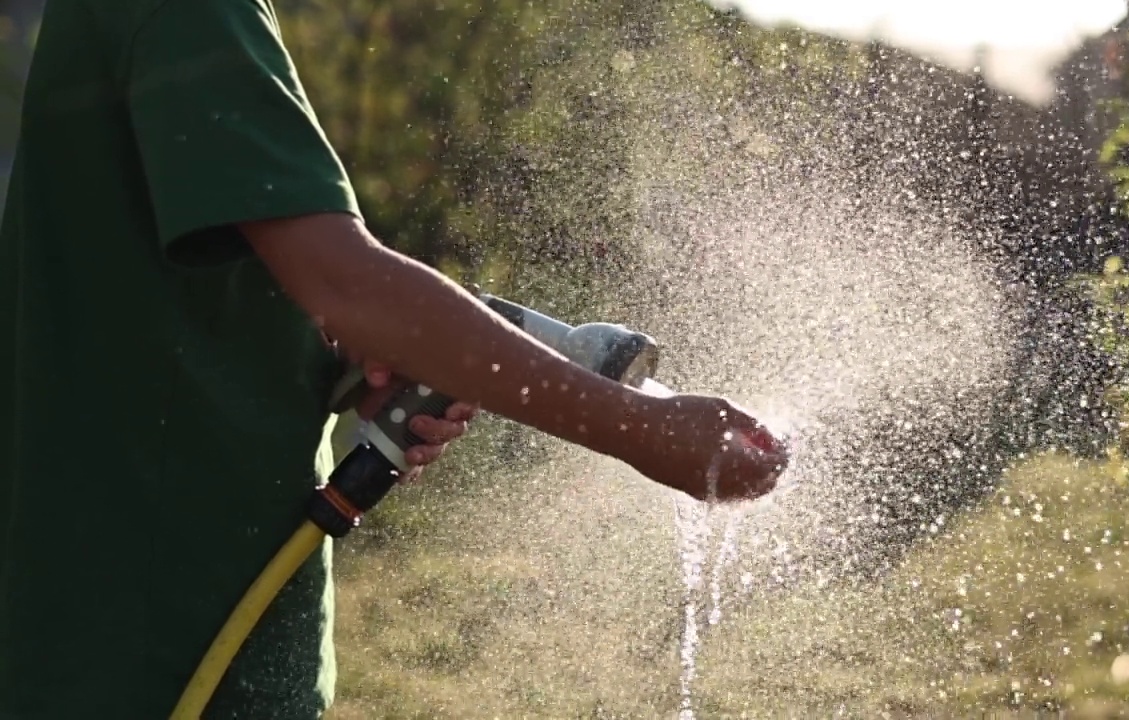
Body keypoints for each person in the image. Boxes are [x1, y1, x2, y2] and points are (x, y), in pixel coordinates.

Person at [0, 0, 789, 718]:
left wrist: (344, 362)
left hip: (185, 607)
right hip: (146, 642)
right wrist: (641, 429)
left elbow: (203, 287)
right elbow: (344, 279)